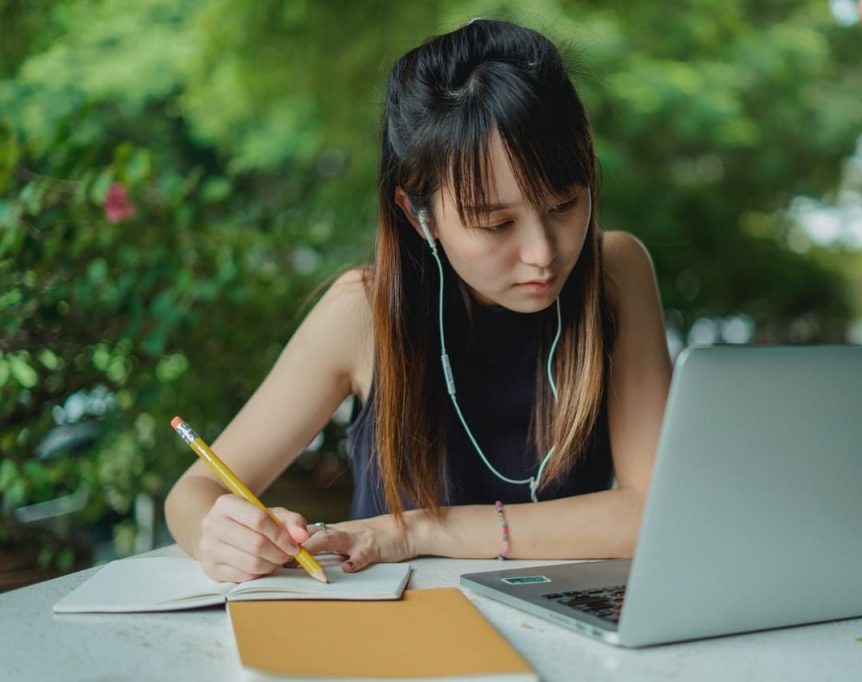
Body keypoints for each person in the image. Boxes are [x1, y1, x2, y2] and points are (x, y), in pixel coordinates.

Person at [164, 18, 672, 583]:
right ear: (418, 213)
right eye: (497, 223)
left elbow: (652, 513)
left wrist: (419, 529)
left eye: (564, 205)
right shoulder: (364, 310)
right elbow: (194, 491)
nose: (542, 254)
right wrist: (224, 536)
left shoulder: (617, 272)